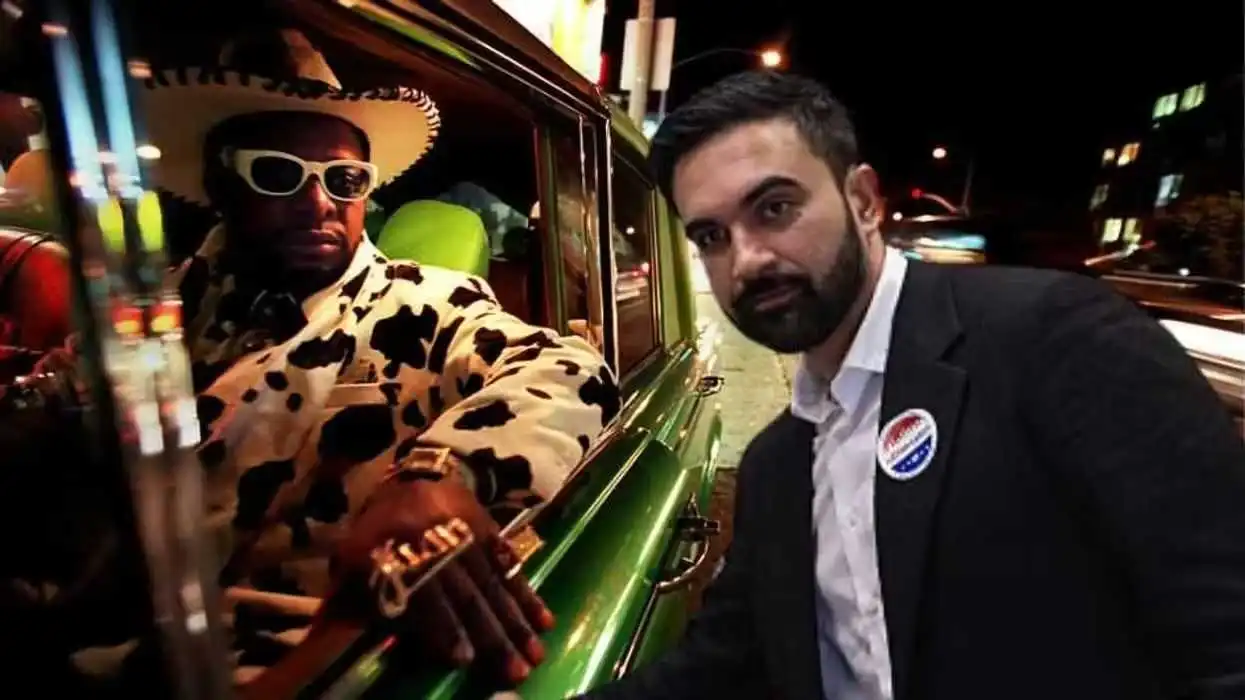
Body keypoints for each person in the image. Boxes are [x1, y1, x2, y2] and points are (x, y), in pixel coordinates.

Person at [581, 71, 1245, 700]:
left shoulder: (1054, 340)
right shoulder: (776, 465)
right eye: (711, 236)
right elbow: (723, 665)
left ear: (864, 202)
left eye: (775, 208)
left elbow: (1223, 636)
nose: (746, 260)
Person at [26, 28, 618, 689]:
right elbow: (57, 405)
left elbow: (569, 369)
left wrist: (437, 476)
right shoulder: (153, 313)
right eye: (279, 173)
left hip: (290, 666)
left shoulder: (420, 304)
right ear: (222, 184)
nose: (320, 203)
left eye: (345, 179)